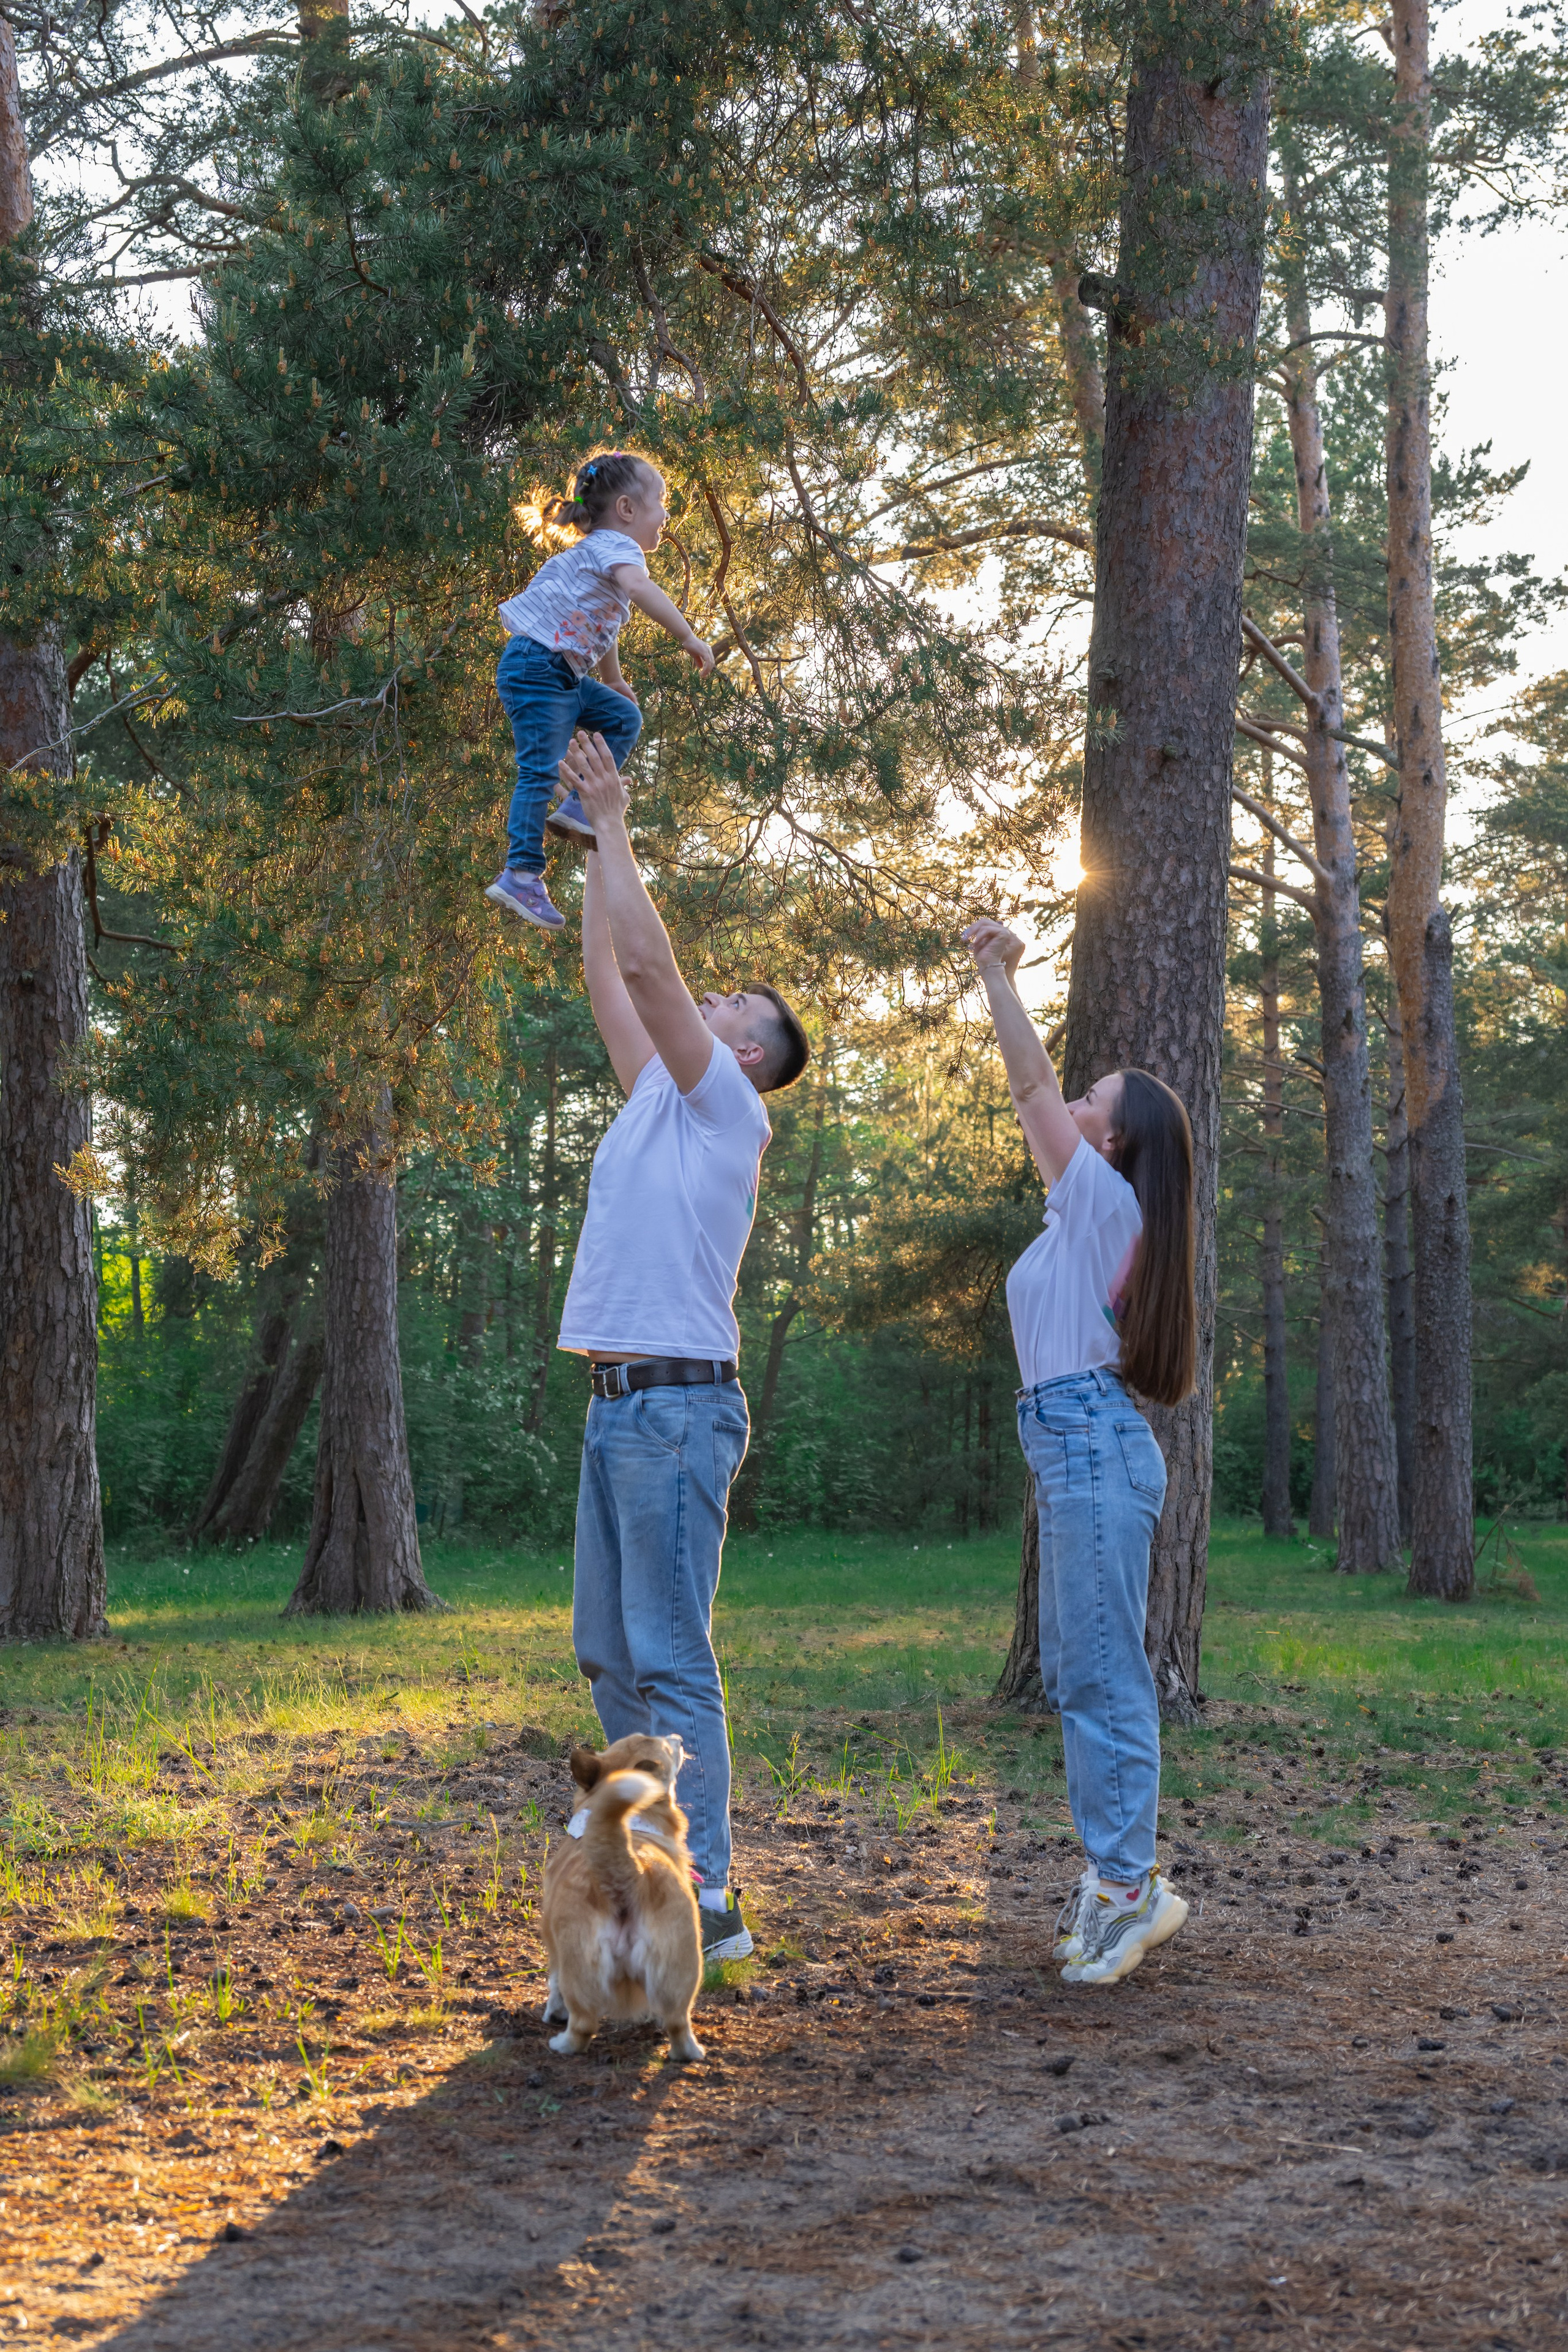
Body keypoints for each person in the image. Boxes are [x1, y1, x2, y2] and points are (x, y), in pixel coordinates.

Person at [554, 728, 811, 1962]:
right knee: (607, 1651)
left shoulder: (722, 1107)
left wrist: (616, 821)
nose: (708, 1005)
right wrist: (582, 848)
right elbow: (614, 974)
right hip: (616, 1406)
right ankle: (645, 1881)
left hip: (674, 1409)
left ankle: (709, 1901)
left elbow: (655, 975)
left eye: (730, 1010)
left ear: (749, 1054)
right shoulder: (657, 1091)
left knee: (667, 1652)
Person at [961, 914, 1196, 1988]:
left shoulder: (1104, 1200)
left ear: (1111, 1141)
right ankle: (1116, 1878)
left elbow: (1025, 1091)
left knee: (1104, 1679)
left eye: (1090, 1099)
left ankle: (1128, 1888)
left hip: (1092, 1447)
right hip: (1072, 1449)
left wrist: (998, 975)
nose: (1073, 1104)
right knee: (1077, 1673)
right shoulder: (1084, 1218)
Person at [485, 451, 714, 934]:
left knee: (623, 716)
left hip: (558, 671)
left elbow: (602, 624)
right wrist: (687, 636)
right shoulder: (619, 549)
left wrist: (612, 680)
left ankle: (575, 809)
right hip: (538, 669)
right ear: (628, 509)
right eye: (662, 502)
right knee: (539, 770)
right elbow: (637, 589)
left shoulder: (593, 556)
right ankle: (522, 872)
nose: (667, 514)